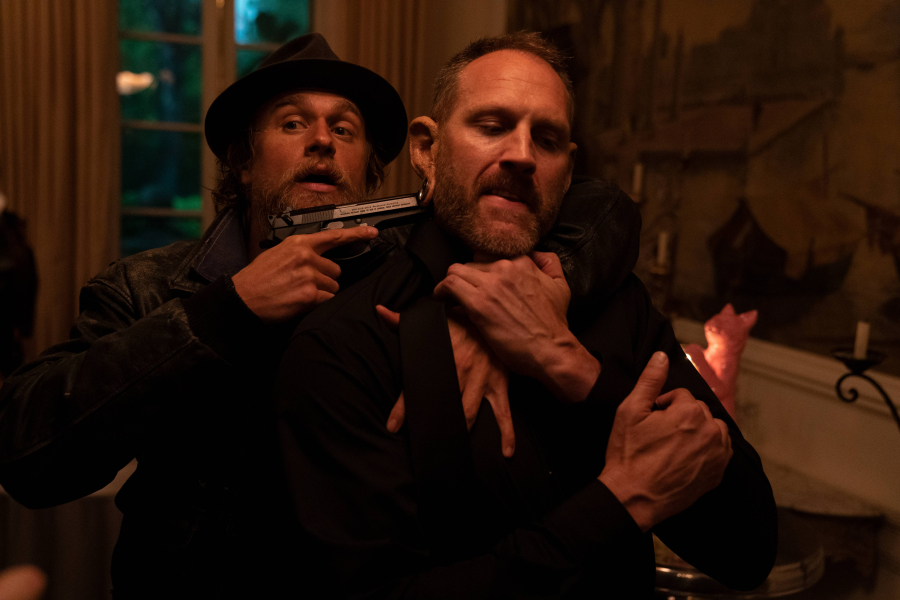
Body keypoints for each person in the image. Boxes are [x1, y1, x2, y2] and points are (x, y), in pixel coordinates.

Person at [0, 33, 641, 598]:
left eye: (345, 130)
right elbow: (27, 451)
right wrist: (226, 311)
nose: (321, 142)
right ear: (242, 161)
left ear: (371, 168)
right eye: (292, 124)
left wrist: (516, 299)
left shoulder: (418, 268)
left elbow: (603, 206)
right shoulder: (147, 287)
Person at [275, 32, 778, 598]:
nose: (522, 155)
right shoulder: (346, 342)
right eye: (492, 126)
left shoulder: (617, 305)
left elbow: (749, 551)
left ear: (568, 168)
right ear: (425, 150)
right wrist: (619, 505)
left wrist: (571, 368)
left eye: (548, 138)